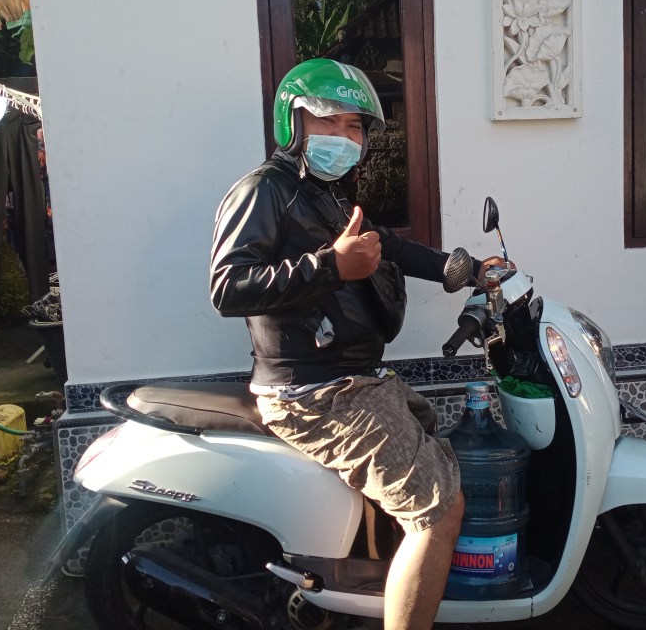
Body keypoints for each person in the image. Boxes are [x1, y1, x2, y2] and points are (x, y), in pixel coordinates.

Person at [210, 58, 502, 630]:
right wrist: (331, 266)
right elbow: (227, 287)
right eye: (329, 121)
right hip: (315, 393)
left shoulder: (329, 196)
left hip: (353, 381)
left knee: (433, 440)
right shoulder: (265, 190)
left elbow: (389, 247)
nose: (343, 137)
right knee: (439, 512)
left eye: (354, 126)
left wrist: (467, 270)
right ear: (294, 122)